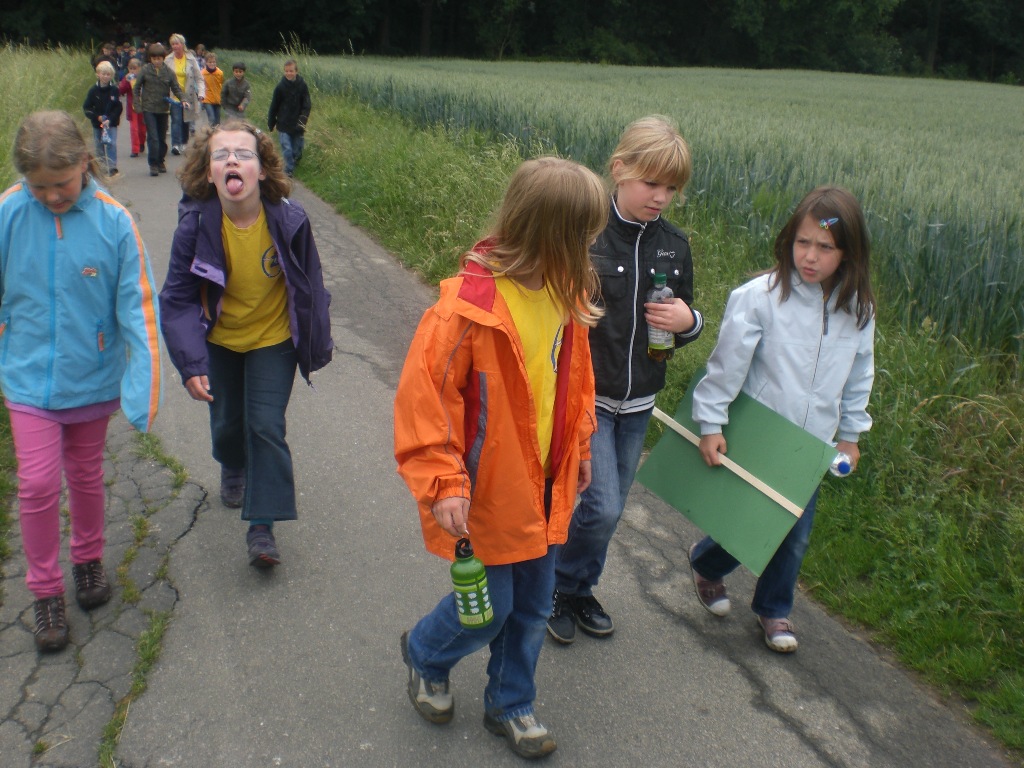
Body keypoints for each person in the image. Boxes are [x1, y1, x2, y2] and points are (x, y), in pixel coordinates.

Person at [394, 156, 606, 759]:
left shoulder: (567, 297)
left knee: (533, 606)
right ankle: (425, 654)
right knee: (488, 609)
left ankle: (511, 702)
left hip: (546, 486)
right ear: (549, 233)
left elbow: (576, 383)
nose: (590, 247)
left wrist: (581, 444)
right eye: (583, 235)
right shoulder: (467, 308)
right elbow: (426, 402)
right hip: (487, 491)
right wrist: (444, 482)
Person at [688, 185, 876, 653]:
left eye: (825, 247)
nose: (810, 256)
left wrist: (850, 435)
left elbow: (860, 374)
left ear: (848, 252)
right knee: (750, 519)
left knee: (793, 533)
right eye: (802, 242)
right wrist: (710, 423)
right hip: (760, 431)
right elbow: (726, 366)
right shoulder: (759, 297)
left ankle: (773, 608)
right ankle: (708, 564)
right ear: (788, 240)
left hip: (812, 443)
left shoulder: (858, 310)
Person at [0, 110, 162, 652]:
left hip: (92, 378)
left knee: (86, 474)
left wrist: (142, 384)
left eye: (62, 184)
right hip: (27, 379)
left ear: (85, 163)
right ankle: (45, 589)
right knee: (37, 483)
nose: (51, 196)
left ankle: (88, 559)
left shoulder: (114, 222)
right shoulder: (8, 212)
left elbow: (138, 307)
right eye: (39, 186)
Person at [547, 115, 703, 644]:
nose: (661, 197)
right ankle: (555, 585)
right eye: (651, 183)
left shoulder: (674, 245)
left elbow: (681, 319)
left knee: (607, 514)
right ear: (619, 170)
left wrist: (688, 322)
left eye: (672, 188)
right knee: (601, 506)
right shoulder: (585, 234)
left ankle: (575, 589)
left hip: (638, 403)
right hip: (588, 399)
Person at [159, 121, 333, 568]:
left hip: (273, 339)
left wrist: (316, 342)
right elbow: (177, 298)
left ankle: (262, 527)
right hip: (218, 341)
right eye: (221, 155)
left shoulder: (291, 220)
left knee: (265, 426)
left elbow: (310, 286)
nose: (232, 160)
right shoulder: (196, 225)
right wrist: (190, 362)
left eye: (244, 154)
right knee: (228, 425)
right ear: (208, 173)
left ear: (263, 169)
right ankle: (231, 463)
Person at [133, 42, 188, 178]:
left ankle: (160, 160)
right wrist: (138, 105)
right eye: (154, 58)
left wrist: (183, 99)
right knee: (153, 138)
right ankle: (153, 163)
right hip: (149, 108)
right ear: (150, 59)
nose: (156, 61)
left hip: (163, 109)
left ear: (163, 58)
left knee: (162, 138)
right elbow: (136, 88)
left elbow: (176, 88)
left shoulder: (169, 72)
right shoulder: (145, 70)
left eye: (159, 58)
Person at [267, 59, 311, 177]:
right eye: (286, 71)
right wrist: (271, 122)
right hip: (283, 123)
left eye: (291, 71)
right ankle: (289, 169)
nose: (289, 73)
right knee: (286, 147)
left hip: (298, 123)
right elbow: (274, 106)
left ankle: (296, 158)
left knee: (297, 148)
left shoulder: (302, 85)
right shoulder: (280, 87)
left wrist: (303, 120)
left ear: (296, 71)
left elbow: (307, 104)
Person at [82, 60, 123, 177]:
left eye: (108, 74)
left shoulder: (114, 90)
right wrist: (97, 117)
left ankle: (112, 167)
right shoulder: (93, 91)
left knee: (111, 144)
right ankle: (101, 168)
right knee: (99, 146)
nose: (105, 76)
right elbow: (87, 108)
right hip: (97, 124)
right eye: (103, 74)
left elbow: (118, 107)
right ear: (98, 74)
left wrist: (111, 119)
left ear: (112, 75)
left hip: (111, 123)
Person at [167, 33, 205, 155]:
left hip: (188, 94)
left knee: (185, 120)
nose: (175, 46)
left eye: (177, 44)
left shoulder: (190, 59)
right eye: (173, 44)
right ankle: (175, 144)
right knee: (176, 119)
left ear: (183, 44)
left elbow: (199, 78)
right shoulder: (168, 59)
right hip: (174, 95)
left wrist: (201, 93)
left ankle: (184, 142)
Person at [119, 58, 147, 158]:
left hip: (143, 106)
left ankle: (141, 142)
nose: (132, 71)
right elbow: (121, 90)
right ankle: (135, 149)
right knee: (133, 128)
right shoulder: (128, 78)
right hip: (132, 107)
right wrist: (125, 81)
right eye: (130, 68)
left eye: (134, 68)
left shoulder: (144, 77)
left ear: (140, 68)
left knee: (142, 129)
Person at [201, 51, 224, 127]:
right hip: (207, 99)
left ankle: (216, 133)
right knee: (212, 119)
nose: (212, 64)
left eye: (214, 62)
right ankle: (210, 132)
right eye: (210, 62)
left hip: (217, 98)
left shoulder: (220, 73)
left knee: (217, 121)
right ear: (206, 63)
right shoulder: (202, 73)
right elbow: (201, 85)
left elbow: (221, 83)